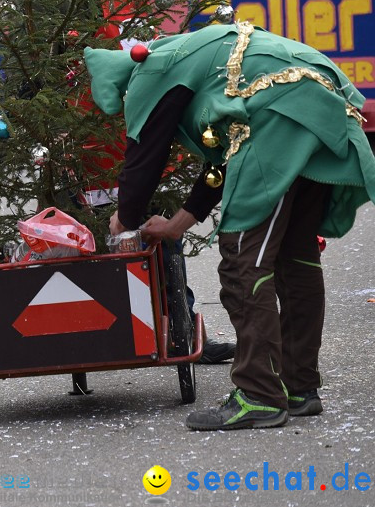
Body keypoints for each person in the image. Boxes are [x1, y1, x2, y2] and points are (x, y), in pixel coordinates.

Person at [85, 21, 375, 430]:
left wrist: (124, 220)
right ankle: (298, 387)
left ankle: (259, 394)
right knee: (295, 257)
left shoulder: (153, 68)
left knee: (243, 259)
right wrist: (179, 223)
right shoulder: (199, 59)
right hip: (318, 108)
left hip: (279, 116)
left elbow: (144, 157)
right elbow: (223, 155)